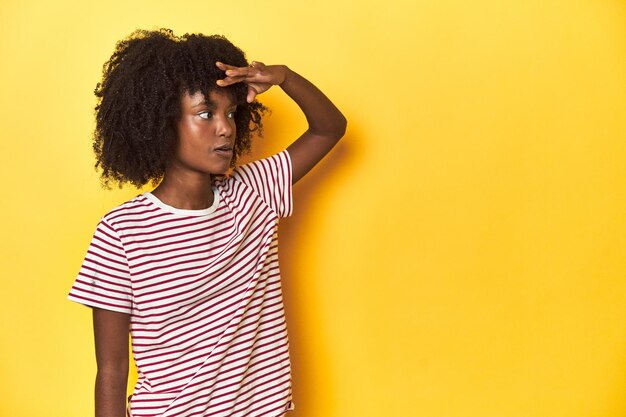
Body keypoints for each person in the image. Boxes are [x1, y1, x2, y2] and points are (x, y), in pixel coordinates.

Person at [67, 28, 346, 417]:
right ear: (161, 124)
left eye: (230, 113)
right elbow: (112, 371)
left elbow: (329, 128)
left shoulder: (255, 193)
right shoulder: (122, 231)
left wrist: (284, 77)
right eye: (204, 114)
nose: (225, 127)